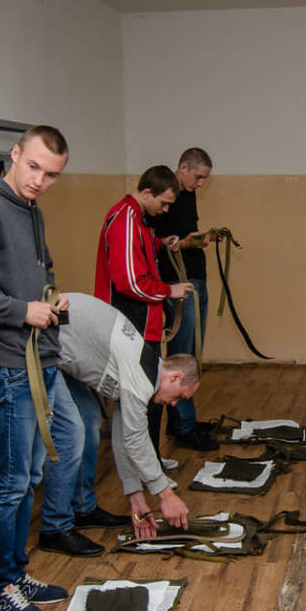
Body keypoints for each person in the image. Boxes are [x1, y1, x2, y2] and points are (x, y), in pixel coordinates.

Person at [0, 126, 117, 611]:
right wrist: (21, 310)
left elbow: (34, 270)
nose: (40, 180)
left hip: (41, 359)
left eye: (52, 174)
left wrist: (49, 299)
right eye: (33, 166)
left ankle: (16, 573)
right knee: (12, 481)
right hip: (9, 363)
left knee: (47, 458)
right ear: (14, 155)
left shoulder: (29, 209)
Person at [57, 292, 197, 539]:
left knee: (89, 421)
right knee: (73, 430)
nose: (174, 404)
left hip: (64, 346)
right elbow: (135, 438)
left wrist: (135, 497)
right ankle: (56, 525)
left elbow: (124, 435)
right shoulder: (140, 377)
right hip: (44, 344)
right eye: (180, 396)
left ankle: (83, 508)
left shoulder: (147, 364)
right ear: (175, 377)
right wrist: (165, 494)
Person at [95, 165, 193, 470]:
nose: (164, 211)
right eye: (162, 203)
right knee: (140, 400)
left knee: (151, 397)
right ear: (147, 192)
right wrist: (169, 290)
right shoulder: (124, 219)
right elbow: (130, 282)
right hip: (130, 323)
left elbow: (137, 256)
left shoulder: (137, 221)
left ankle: (150, 460)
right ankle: (143, 466)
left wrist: (159, 244)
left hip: (144, 324)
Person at [150, 148, 219, 450]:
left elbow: (183, 235)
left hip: (196, 276)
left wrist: (201, 238)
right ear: (183, 168)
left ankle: (184, 419)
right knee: (181, 353)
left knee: (193, 352)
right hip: (177, 280)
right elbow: (162, 241)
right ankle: (183, 425)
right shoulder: (167, 195)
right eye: (198, 176)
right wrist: (184, 242)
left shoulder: (188, 195)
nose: (201, 183)